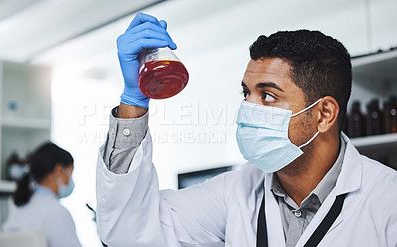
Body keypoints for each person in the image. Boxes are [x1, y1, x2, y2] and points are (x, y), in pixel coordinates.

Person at [96, 13, 397, 247]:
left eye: (267, 95)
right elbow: (129, 231)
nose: (248, 108)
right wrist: (134, 99)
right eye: (246, 94)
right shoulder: (234, 193)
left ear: (324, 114)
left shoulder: (387, 199)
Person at [3, 142, 81, 247]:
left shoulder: (19, 208)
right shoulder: (56, 212)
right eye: (70, 173)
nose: (70, 180)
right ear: (59, 171)